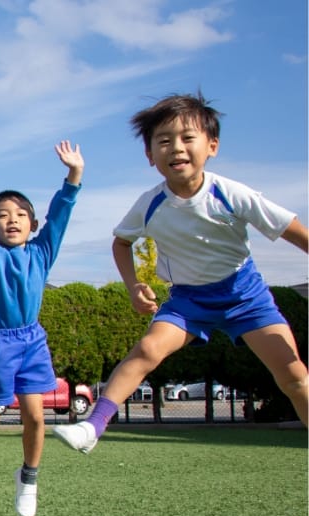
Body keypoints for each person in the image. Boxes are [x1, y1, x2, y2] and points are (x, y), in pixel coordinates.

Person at [54, 92, 308, 454]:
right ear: (149, 156)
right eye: (164, 141)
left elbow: (293, 229)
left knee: (294, 375)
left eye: (188, 138)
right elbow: (121, 243)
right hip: (188, 300)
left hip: (245, 295)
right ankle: (92, 427)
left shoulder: (232, 194)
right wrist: (133, 286)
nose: (176, 148)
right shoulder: (149, 203)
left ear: (212, 146)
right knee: (147, 349)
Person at [0, 138, 84, 516]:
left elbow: (62, 215)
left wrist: (74, 175)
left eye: (21, 214)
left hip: (32, 341)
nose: (12, 219)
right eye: (2, 214)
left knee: (36, 417)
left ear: (33, 224)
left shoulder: (41, 253)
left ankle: (28, 479)